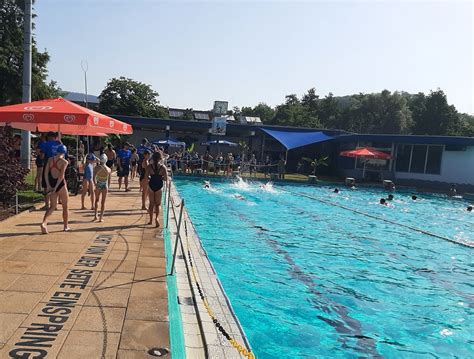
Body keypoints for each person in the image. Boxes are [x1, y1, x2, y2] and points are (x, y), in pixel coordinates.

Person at [40, 145, 70, 234]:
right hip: (60, 184)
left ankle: (44, 223)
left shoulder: (50, 159)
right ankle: (65, 226)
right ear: (64, 153)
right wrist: (56, 188)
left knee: (52, 206)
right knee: (65, 206)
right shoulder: (64, 162)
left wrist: (49, 185)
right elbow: (61, 176)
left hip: (51, 182)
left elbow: (45, 173)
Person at [40, 132, 64, 210]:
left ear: (48, 137)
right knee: (57, 183)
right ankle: (56, 202)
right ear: (55, 137)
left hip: (49, 164)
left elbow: (42, 156)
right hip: (59, 165)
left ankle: (47, 204)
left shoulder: (45, 144)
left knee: (46, 185)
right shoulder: (59, 144)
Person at [146, 151, 168, 227]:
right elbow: (165, 179)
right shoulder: (163, 167)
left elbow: (146, 178)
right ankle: (157, 218)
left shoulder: (149, 166)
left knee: (151, 203)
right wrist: (160, 177)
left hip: (151, 185)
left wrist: (150, 177)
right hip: (159, 185)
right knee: (158, 204)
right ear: (160, 158)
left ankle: (150, 220)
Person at [93, 154, 112, 222]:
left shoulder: (96, 168)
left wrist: (95, 184)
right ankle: (101, 217)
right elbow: (109, 181)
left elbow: (94, 177)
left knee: (96, 200)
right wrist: (108, 188)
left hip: (98, 184)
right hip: (105, 185)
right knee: (103, 202)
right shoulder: (109, 169)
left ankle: (95, 216)